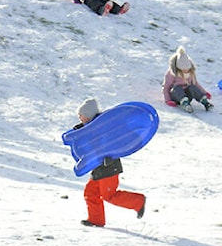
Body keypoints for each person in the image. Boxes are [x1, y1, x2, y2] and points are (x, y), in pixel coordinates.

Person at [73, 98, 146, 227]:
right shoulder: (89, 127)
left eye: (81, 115)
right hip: (97, 167)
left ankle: (138, 202)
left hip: (109, 167)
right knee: (91, 193)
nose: (79, 117)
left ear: (89, 116)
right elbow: (85, 137)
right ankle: (96, 220)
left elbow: (115, 143)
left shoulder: (104, 128)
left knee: (109, 195)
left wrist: (110, 155)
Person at [162, 47, 213, 113]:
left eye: (187, 69)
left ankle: (205, 102)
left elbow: (196, 84)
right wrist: (168, 100)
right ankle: (185, 104)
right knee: (177, 88)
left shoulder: (190, 73)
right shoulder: (172, 73)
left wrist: (204, 93)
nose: (186, 71)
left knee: (192, 87)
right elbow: (166, 87)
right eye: (183, 70)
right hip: (175, 96)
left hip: (187, 95)